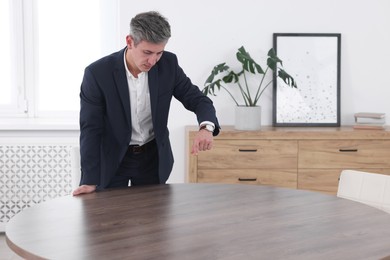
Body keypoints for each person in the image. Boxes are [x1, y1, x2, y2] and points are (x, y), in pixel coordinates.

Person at [72, 11, 220, 196]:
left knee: (153, 221)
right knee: (110, 222)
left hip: (152, 158)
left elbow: (198, 100)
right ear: (129, 41)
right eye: (147, 52)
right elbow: (91, 128)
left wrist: (206, 127)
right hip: (113, 158)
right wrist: (89, 179)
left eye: (159, 53)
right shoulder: (97, 74)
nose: (153, 61)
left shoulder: (168, 64)